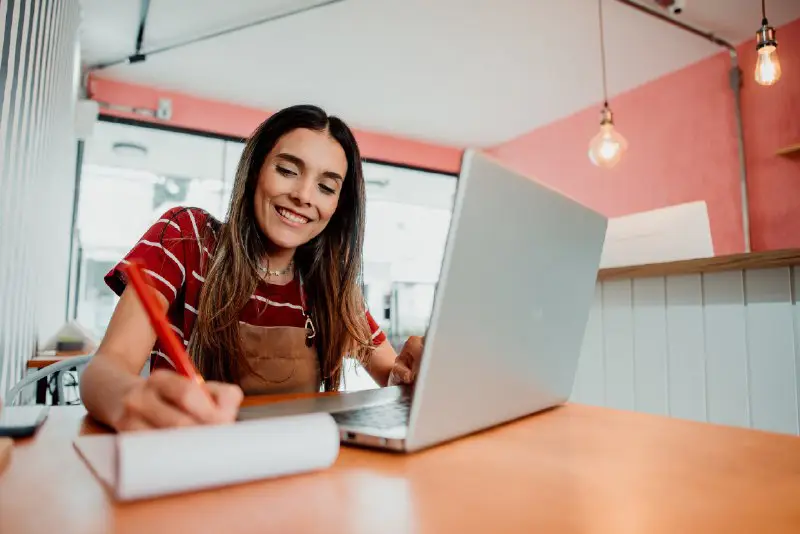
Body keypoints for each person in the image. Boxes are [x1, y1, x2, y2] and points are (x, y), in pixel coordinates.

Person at [80, 105, 425, 432]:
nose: (304, 195)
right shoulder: (186, 237)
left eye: (326, 187)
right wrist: (128, 398)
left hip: (296, 471)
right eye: (287, 170)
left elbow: (389, 374)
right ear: (255, 170)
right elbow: (105, 371)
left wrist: (407, 378)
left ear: (338, 206)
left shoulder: (331, 287)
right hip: (189, 461)